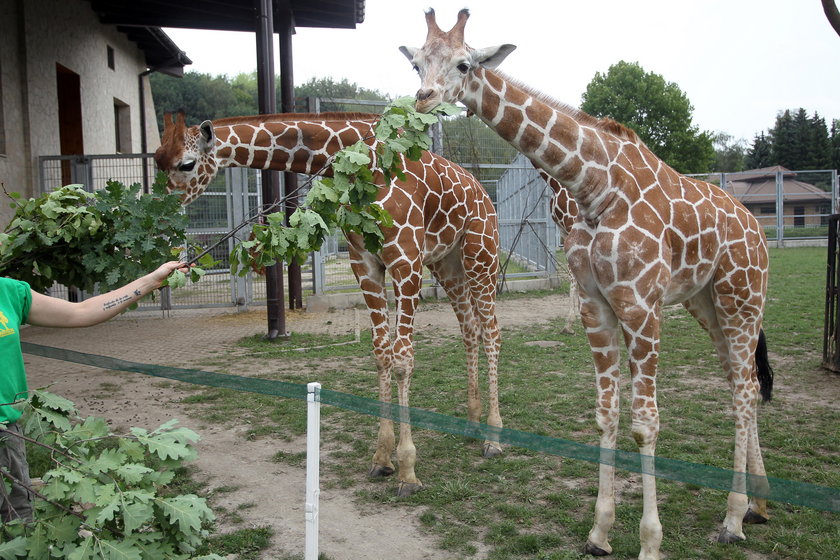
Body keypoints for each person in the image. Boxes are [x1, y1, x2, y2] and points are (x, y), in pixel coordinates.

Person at [0, 261, 188, 523]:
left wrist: (153, 280)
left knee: (15, 516)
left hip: (6, 429)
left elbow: (82, 311)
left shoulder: (7, 292)